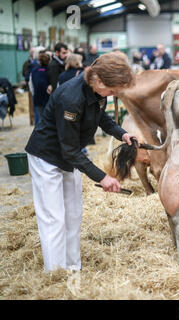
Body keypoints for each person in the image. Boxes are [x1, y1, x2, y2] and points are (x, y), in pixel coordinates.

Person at [25, 52, 137, 272]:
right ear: (98, 80)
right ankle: (56, 273)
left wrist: (121, 133)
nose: (115, 94)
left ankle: (73, 267)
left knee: (73, 214)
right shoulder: (71, 98)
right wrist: (102, 177)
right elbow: (69, 150)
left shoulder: (98, 91)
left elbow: (101, 117)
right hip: (47, 157)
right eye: (113, 90)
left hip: (69, 157)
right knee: (54, 217)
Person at [29, 53, 50, 125]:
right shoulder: (49, 70)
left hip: (37, 97)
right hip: (48, 97)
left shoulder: (34, 70)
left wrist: (34, 94)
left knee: (41, 119)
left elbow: (31, 85)